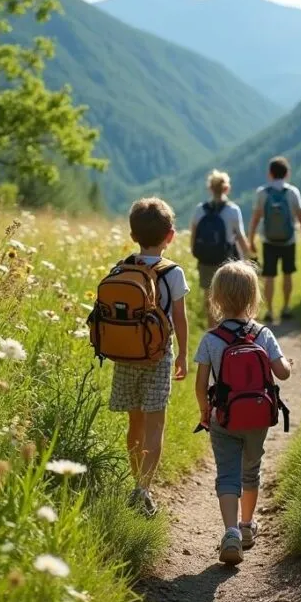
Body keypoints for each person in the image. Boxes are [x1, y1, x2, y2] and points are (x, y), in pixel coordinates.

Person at [194, 261, 291, 565]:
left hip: (223, 417)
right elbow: (283, 373)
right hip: (258, 418)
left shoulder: (211, 339)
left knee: (227, 473)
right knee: (251, 470)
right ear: (253, 297)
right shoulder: (263, 334)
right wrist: (289, 364)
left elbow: (200, 384)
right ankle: (248, 526)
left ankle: (231, 532)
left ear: (217, 299)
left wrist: (204, 410)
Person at [107, 198, 189, 517]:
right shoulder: (173, 273)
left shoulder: (120, 267)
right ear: (170, 235)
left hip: (126, 355)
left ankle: (135, 482)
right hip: (157, 356)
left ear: (132, 235)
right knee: (156, 425)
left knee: (135, 422)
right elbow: (179, 318)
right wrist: (182, 354)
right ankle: (144, 489)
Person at [247, 156, 301, 323]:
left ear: (270, 173)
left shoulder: (262, 192)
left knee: (269, 275)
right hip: (288, 240)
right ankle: (286, 307)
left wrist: (251, 238)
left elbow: (255, 217)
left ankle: (269, 311)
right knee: (287, 274)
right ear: (287, 173)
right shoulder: (292, 192)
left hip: (269, 240)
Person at [191, 170, 251, 325]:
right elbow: (240, 237)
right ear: (227, 189)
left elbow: (194, 235)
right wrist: (249, 257)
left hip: (205, 259)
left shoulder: (200, 209)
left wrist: (197, 253)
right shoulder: (233, 210)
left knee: (209, 296)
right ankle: (230, 330)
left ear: (210, 188)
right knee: (231, 296)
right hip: (227, 259)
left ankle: (212, 331)